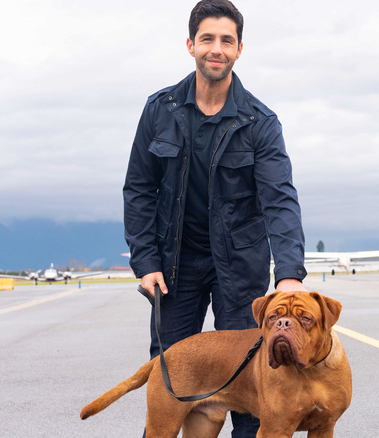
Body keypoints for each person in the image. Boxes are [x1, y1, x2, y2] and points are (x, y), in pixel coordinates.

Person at [123, 0, 306, 435]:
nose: (216, 49)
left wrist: (290, 275)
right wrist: (146, 262)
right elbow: (139, 190)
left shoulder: (260, 122)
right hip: (175, 268)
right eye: (207, 39)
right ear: (190, 45)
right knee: (170, 380)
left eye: (227, 40)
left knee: (253, 380)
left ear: (240, 49)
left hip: (239, 267)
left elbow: (279, 199)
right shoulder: (160, 110)